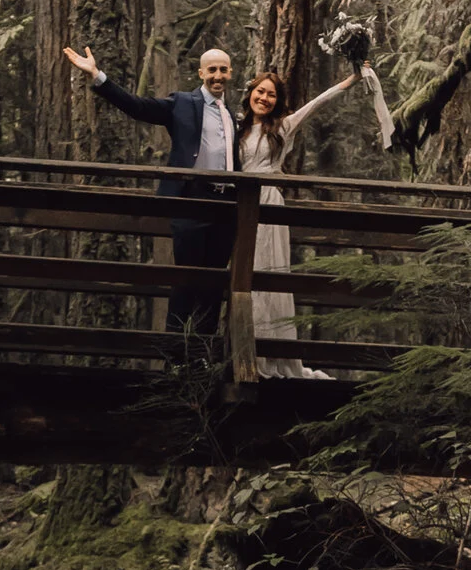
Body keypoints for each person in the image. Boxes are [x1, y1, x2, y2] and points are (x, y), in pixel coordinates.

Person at [65, 39, 239, 337]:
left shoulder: (230, 113)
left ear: (230, 73)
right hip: (191, 200)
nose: (218, 76)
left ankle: (204, 354)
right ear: (201, 73)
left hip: (226, 205)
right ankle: (174, 352)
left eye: (223, 70)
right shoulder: (182, 103)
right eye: (212, 70)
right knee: (186, 280)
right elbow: (138, 107)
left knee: (213, 285)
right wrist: (98, 76)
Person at [237, 51, 397, 370]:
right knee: (241, 273)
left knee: (267, 268)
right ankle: (242, 349)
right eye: (260, 92)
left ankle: (270, 354)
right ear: (250, 93)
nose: (264, 98)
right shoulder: (237, 127)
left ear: (277, 101)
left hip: (267, 202)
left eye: (271, 94)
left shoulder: (282, 127)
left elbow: (317, 104)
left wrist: (351, 80)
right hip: (239, 203)